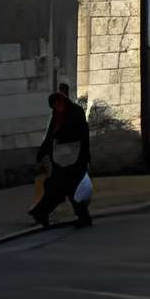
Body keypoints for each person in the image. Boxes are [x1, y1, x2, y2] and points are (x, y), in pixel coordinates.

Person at [28, 84, 92, 228]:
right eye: (54, 107)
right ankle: (41, 212)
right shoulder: (57, 116)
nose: (56, 108)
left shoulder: (76, 112)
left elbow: (83, 135)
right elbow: (51, 136)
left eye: (57, 105)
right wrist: (42, 153)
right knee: (60, 189)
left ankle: (41, 212)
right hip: (61, 159)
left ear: (62, 102)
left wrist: (85, 158)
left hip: (76, 158)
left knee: (71, 189)